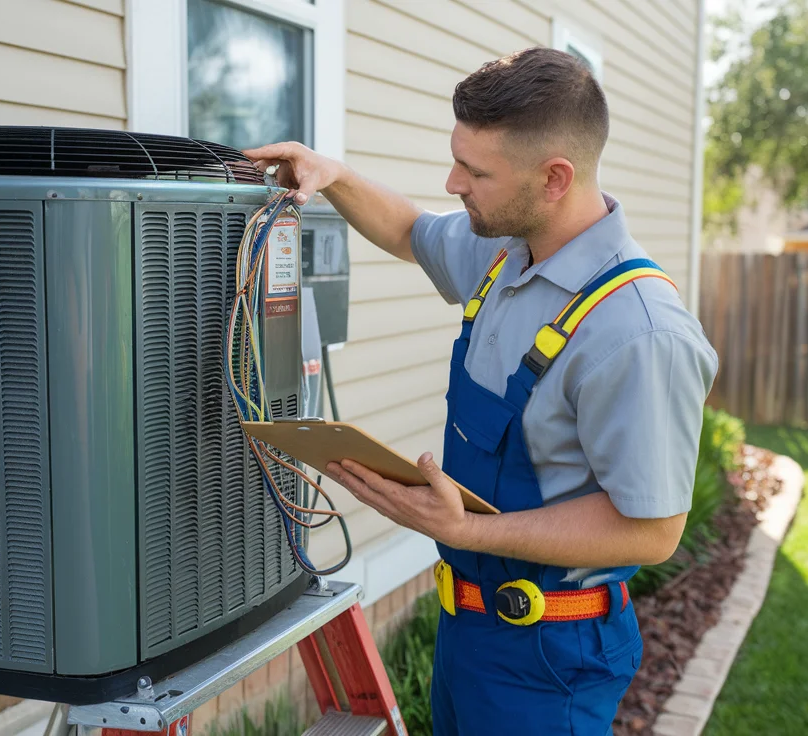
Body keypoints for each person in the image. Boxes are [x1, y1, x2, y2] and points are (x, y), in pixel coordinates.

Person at [245, 46, 718, 734]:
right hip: (469, 632)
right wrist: (334, 174)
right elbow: (410, 231)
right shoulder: (506, 255)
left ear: (555, 177)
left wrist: (468, 528)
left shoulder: (639, 332)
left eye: (475, 171)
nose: (452, 182)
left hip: (548, 658)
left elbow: (651, 529)